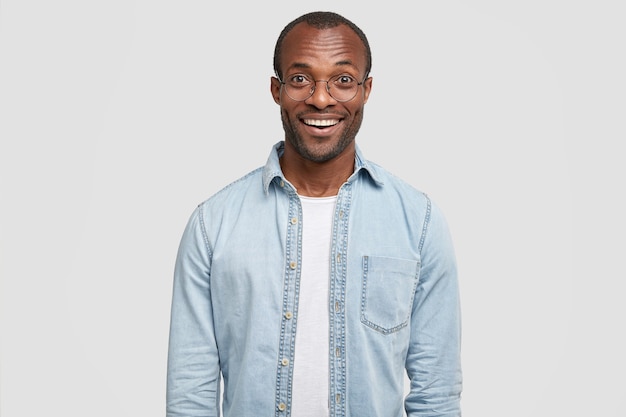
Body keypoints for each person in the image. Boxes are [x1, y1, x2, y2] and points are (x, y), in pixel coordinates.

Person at [166, 11, 462, 417]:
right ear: (276, 89)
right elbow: (190, 397)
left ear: (366, 90)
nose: (321, 99)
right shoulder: (212, 225)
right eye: (301, 79)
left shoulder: (419, 221)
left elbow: (437, 395)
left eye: (342, 80)